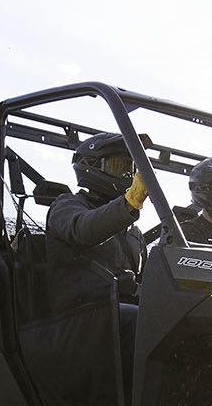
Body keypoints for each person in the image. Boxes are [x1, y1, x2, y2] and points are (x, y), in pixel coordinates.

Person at [45, 132, 148, 385]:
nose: (126, 176)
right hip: (76, 315)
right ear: (91, 167)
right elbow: (83, 229)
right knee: (142, 324)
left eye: (131, 169)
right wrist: (129, 204)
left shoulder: (132, 232)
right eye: (118, 166)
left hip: (114, 312)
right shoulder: (68, 205)